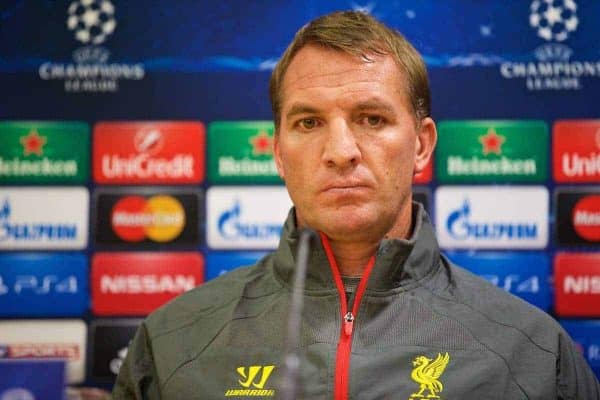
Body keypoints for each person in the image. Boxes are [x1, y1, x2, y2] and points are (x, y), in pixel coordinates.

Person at [113, 11, 600, 399]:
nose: (341, 150)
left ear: (423, 145)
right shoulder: (173, 343)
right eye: (308, 123)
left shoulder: (533, 354)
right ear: (278, 153)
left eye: (371, 118)